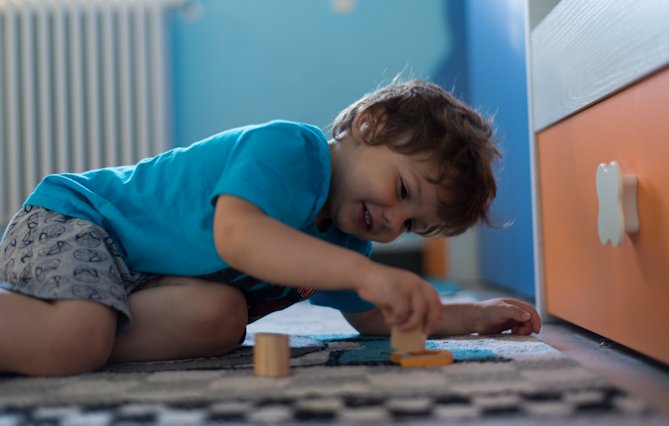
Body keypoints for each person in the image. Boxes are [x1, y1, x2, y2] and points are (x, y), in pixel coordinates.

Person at [0, 80, 541, 377]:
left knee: (221, 319)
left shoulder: (344, 238)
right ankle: (61, 334)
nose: (393, 222)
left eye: (412, 225)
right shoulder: (292, 150)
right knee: (75, 342)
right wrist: (362, 272)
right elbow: (238, 236)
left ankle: (59, 333)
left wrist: (472, 315)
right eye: (402, 192)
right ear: (367, 125)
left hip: (141, 279)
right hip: (81, 220)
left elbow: (375, 318)